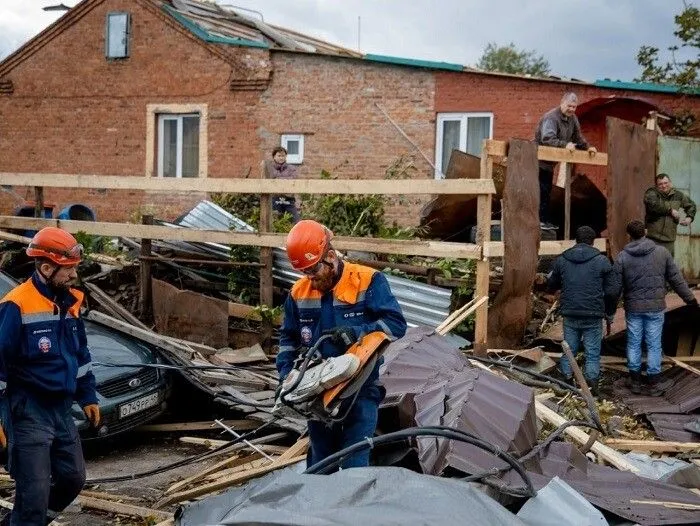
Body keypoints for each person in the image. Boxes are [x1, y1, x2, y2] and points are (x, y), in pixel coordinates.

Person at [277, 220, 406, 469]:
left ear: (331, 257)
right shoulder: (298, 293)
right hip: (317, 393)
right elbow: (287, 339)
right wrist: (286, 377)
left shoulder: (368, 281)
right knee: (320, 464)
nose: (310, 279)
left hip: (360, 390)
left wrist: (357, 332)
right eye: (305, 272)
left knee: (354, 466)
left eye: (314, 270)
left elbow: (396, 324)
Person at [0, 227, 100, 526]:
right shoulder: (16, 305)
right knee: (34, 492)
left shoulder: (70, 303)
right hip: (28, 411)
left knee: (72, 479)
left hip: (61, 410)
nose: (73, 276)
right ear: (47, 267)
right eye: (68, 270)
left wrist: (87, 396)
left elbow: (80, 354)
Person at [613, 220, 697, 396]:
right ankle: (654, 382)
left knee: (634, 343)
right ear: (645, 231)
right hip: (655, 307)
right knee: (654, 344)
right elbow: (676, 279)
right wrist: (690, 299)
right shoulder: (662, 252)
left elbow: (614, 288)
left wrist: (610, 310)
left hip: (633, 308)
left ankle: (634, 381)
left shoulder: (622, 257)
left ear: (629, 235)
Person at [547, 226, 619, 395]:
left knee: (569, 349)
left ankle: (566, 384)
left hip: (570, 312)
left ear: (576, 240)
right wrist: (609, 312)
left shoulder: (562, 259)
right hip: (593, 313)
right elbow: (613, 290)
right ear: (593, 242)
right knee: (592, 352)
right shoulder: (601, 261)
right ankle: (592, 388)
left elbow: (551, 284)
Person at [535, 92, 597, 228]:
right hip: (537, 161)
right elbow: (547, 138)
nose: (571, 109)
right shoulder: (551, 117)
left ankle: (543, 221)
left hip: (549, 164)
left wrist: (588, 148)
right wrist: (565, 145)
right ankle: (539, 222)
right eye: (569, 106)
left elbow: (578, 138)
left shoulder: (573, 119)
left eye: (574, 107)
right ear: (562, 103)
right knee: (541, 191)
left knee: (546, 191)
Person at [644, 173, 696, 257]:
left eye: (666, 183)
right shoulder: (651, 193)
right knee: (652, 266)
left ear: (670, 183)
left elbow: (691, 205)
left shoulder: (678, 195)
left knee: (668, 267)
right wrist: (670, 211)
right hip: (652, 239)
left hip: (669, 240)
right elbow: (654, 205)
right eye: (660, 184)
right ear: (656, 185)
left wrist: (689, 218)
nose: (664, 186)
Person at [264, 146, 300, 223]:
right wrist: (284, 179)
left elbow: (293, 180)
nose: (281, 158)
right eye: (279, 156)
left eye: (283, 156)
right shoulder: (269, 168)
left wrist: (277, 179)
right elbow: (269, 181)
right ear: (274, 157)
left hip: (289, 199)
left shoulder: (291, 168)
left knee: (296, 221)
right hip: (275, 198)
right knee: (275, 221)